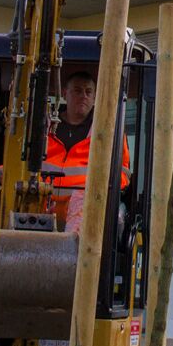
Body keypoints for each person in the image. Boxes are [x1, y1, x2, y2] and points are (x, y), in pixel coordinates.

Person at [43, 70, 130, 229]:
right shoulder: (43, 127)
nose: (84, 96)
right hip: (42, 204)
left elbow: (123, 174)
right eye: (77, 90)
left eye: (88, 92)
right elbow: (21, 161)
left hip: (85, 209)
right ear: (64, 93)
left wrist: (100, 189)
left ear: (95, 96)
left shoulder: (107, 131)